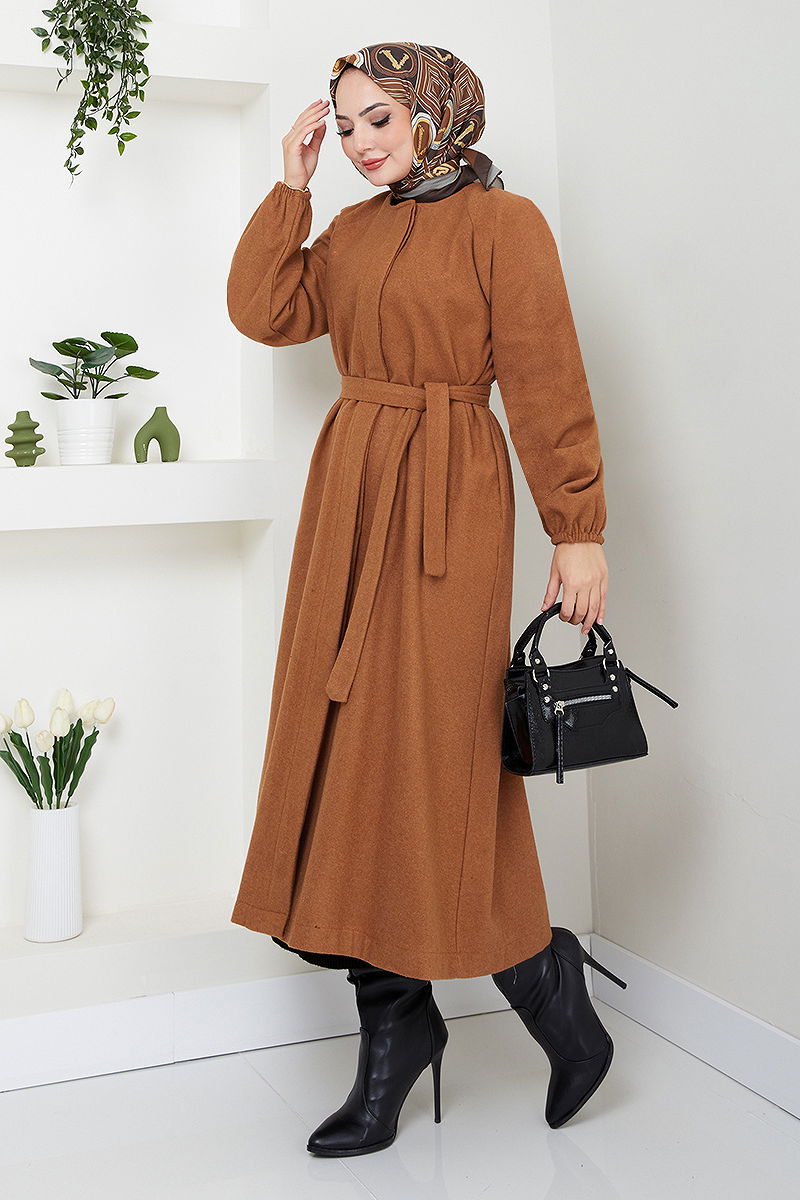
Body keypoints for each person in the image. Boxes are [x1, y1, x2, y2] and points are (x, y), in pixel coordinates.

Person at [226, 42, 624, 1157]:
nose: (361, 143)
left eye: (379, 120)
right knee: (341, 748)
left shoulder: (506, 225)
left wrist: (577, 529)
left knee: (437, 758)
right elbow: (264, 310)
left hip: (449, 492)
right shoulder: (350, 230)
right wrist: (291, 187)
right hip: (348, 496)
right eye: (345, 123)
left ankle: (548, 993)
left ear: (434, 115)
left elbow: (546, 377)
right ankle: (398, 1031)